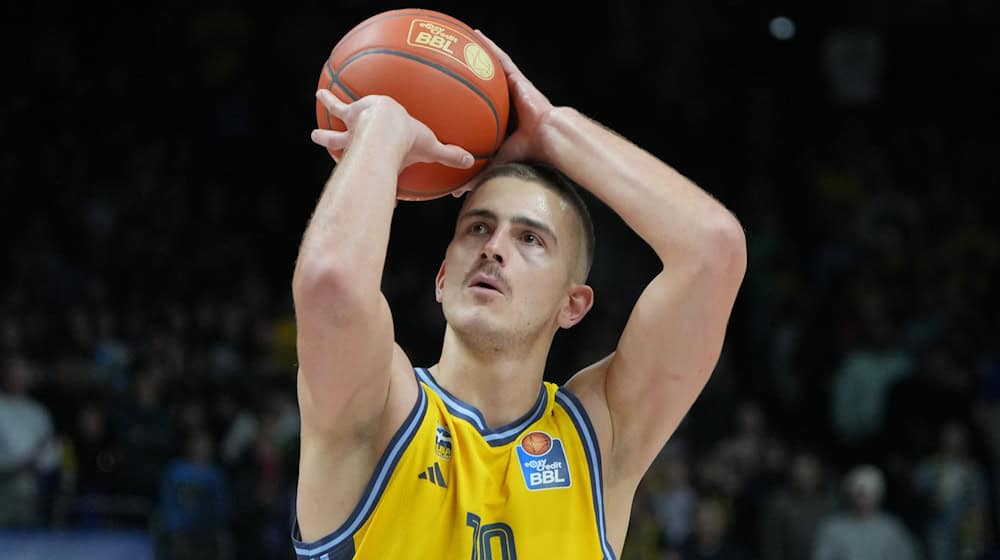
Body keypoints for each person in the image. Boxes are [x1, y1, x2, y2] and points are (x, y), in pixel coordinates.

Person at [291, 30, 746, 559]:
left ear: (572, 304)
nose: (494, 249)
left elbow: (713, 250)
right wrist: (383, 132)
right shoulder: (377, 410)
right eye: (478, 229)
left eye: (530, 238)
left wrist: (555, 129)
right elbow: (332, 287)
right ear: (442, 277)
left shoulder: (601, 437)